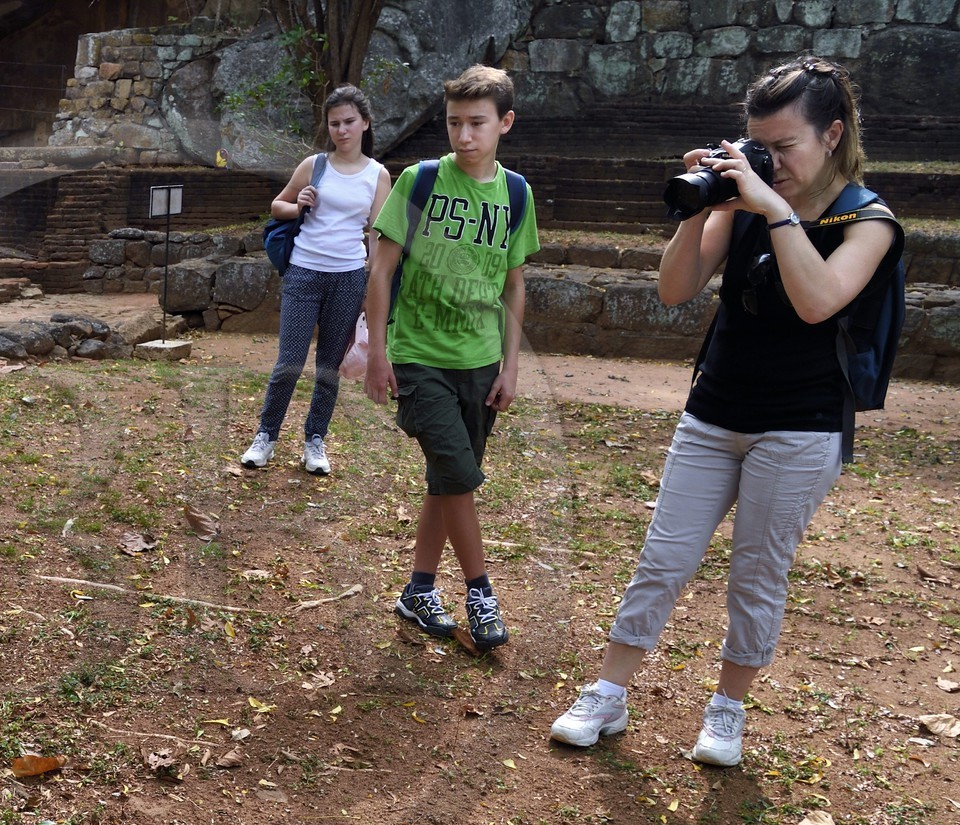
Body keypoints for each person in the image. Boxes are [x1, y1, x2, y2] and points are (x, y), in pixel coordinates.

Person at [549, 56, 900, 766]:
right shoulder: (744, 206)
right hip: (714, 411)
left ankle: (727, 710)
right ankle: (608, 693)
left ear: (832, 135)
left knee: (756, 575)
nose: (771, 161)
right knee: (663, 558)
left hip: (801, 426)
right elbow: (675, 289)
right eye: (758, 146)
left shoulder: (868, 221)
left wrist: (773, 211)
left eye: (785, 146)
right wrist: (702, 207)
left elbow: (817, 301)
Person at [361, 65, 539, 652]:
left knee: (447, 482)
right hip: (419, 356)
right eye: (454, 123)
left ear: (505, 124)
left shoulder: (516, 194)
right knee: (459, 476)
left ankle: (417, 589)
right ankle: (480, 594)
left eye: (476, 123)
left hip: (481, 362)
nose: (464, 136)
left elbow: (514, 285)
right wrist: (378, 352)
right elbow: (381, 270)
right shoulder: (420, 181)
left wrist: (510, 367)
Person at [240, 85, 392, 477]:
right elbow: (278, 205)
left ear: (365, 123)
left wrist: (373, 286)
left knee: (329, 366)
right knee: (288, 362)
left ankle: (315, 440)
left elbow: (377, 236)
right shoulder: (315, 165)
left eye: (349, 122)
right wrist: (298, 205)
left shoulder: (378, 175)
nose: (342, 130)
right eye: (334, 123)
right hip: (304, 271)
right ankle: (266, 435)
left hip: (348, 277)